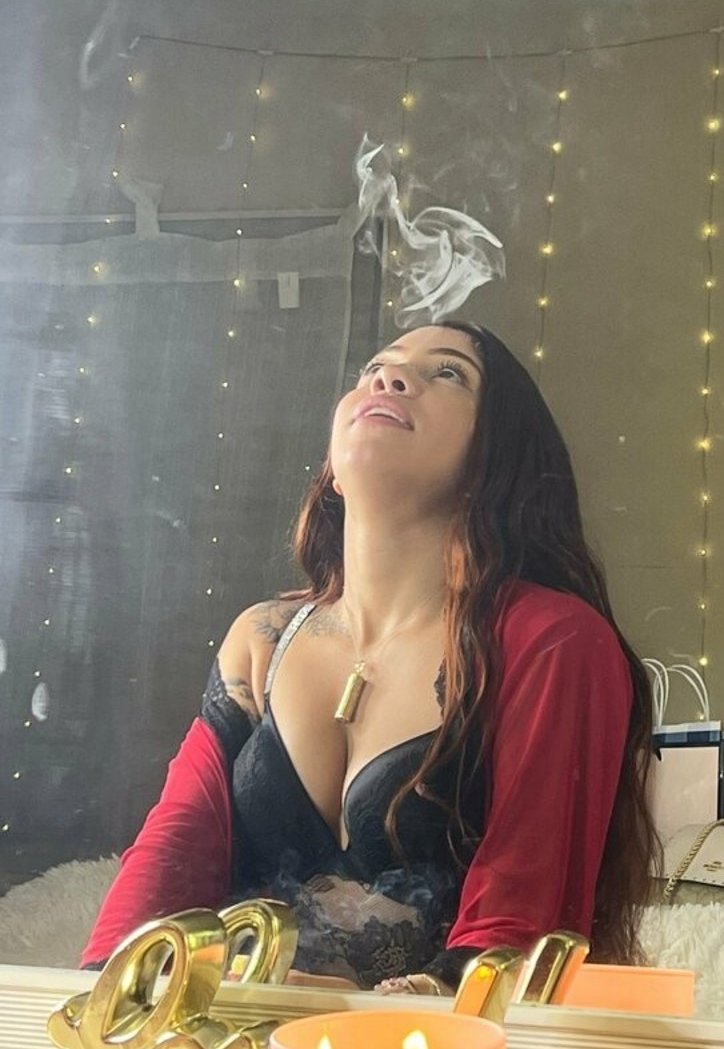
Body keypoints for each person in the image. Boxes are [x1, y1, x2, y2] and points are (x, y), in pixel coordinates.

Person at [82, 320, 658, 994]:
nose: (390, 377)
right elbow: (173, 852)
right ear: (332, 467)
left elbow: (522, 916)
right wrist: (100, 995)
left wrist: (374, 1017)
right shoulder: (261, 638)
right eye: (375, 368)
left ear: (496, 459)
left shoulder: (553, 639)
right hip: (223, 1043)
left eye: (448, 372)